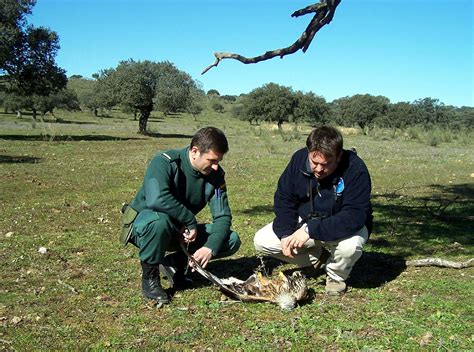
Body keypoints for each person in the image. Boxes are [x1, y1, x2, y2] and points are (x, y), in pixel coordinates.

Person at [125, 127, 240, 304]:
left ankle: (174, 263)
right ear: (195, 151)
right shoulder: (165, 162)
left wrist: (210, 247)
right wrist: (189, 220)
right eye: (211, 160)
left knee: (230, 239)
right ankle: (150, 279)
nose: (216, 166)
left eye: (219, 161)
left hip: (178, 230)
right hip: (144, 227)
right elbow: (157, 199)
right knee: (159, 221)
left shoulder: (216, 176)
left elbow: (223, 216)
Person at [254, 126, 372, 295]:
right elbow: (284, 199)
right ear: (309, 152)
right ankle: (316, 259)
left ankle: (336, 277)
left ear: (338, 156)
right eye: (314, 162)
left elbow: (354, 216)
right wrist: (286, 234)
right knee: (263, 241)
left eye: (325, 164)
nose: (318, 169)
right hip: (306, 221)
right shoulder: (299, 159)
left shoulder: (355, 169)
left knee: (350, 247)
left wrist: (311, 229)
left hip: (341, 225)